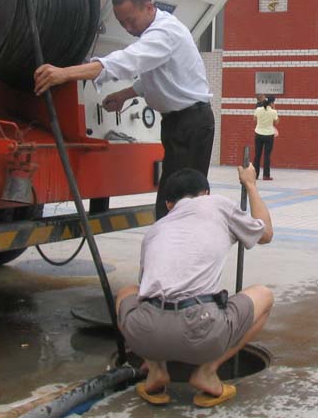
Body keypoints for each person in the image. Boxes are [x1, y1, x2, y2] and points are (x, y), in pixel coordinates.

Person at [33, 0, 215, 219]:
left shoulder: (164, 33)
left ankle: (178, 253)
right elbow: (156, 77)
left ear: (149, 7)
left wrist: (65, 73)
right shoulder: (156, 32)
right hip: (179, 123)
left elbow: (127, 62)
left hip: (190, 123)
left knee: (180, 204)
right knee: (175, 199)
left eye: (131, 20)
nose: (128, 28)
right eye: (122, 23)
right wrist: (124, 95)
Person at [115, 166, 274, 408]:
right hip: (203, 330)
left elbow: (145, 292)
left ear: (169, 204)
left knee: (127, 292)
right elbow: (266, 233)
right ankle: (207, 372)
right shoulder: (217, 204)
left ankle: (156, 369)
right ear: (206, 193)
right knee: (264, 295)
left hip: (144, 335)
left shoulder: (155, 231)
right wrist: (251, 184)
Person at [253, 96, 279, 181]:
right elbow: (276, 122)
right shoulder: (273, 112)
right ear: (271, 103)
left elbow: (254, 119)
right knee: (267, 156)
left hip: (258, 134)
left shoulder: (258, 110)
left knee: (257, 155)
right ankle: (266, 175)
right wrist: (274, 109)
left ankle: (255, 175)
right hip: (269, 135)